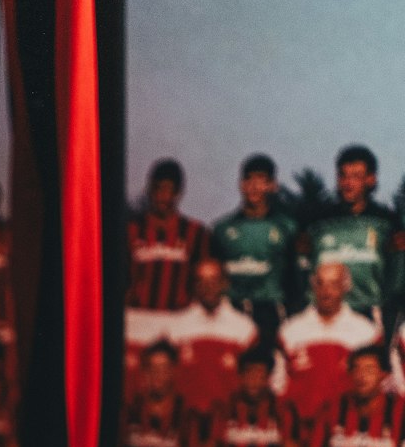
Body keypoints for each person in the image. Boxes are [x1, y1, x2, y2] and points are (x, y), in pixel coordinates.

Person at [124, 159, 210, 402]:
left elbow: (202, 276)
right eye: (158, 189)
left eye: (169, 190)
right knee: (135, 385)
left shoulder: (195, 232)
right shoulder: (131, 230)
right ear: (150, 190)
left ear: (179, 192)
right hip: (139, 318)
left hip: (178, 319)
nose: (163, 196)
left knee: (180, 384)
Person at [303, 145, 404, 334]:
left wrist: (388, 305)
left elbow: (395, 275)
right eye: (343, 176)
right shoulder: (318, 221)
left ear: (371, 179)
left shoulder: (387, 221)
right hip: (326, 314)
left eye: (356, 176)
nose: (348, 183)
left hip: (371, 312)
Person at [274, 261, 382, 421]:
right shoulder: (290, 331)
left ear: (346, 286)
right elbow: (277, 383)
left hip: (347, 428)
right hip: (302, 426)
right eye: (321, 284)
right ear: (313, 286)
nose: (326, 292)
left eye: (334, 284)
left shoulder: (366, 332)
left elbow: (378, 387)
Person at [211, 153, 298, 345]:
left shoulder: (288, 228)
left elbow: (295, 279)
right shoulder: (223, 229)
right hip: (231, 310)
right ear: (241, 184)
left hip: (270, 311)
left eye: (261, 181)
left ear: (273, 186)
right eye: (248, 180)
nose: (254, 187)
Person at [169, 257, 259, 417]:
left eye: (214, 281)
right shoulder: (176, 328)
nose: (208, 287)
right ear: (194, 286)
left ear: (225, 283)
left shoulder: (244, 328)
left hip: (229, 418)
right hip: (186, 419)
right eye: (201, 281)